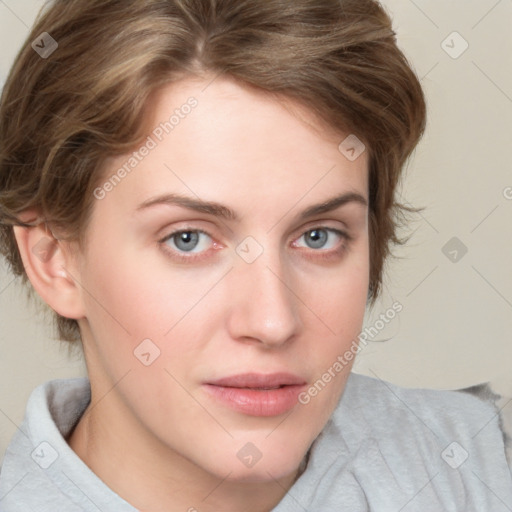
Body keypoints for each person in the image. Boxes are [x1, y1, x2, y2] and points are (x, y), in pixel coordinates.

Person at [0, 0, 511, 510]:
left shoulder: (481, 467)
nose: (273, 322)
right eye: (189, 239)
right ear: (54, 260)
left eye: (319, 236)